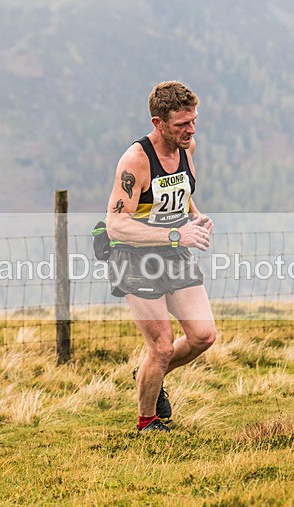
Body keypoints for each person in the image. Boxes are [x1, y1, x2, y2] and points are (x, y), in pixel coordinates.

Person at [105, 81, 216, 432]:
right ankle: (147, 421)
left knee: (203, 336)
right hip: (136, 258)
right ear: (158, 123)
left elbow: (179, 192)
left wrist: (194, 214)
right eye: (182, 124)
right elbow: (115, 225)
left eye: (193, 120)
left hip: (175, 254)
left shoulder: (188, 147)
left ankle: (148, 374)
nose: (191, 129)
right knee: (163, 347)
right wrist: (174, 233)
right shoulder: (135, 161)